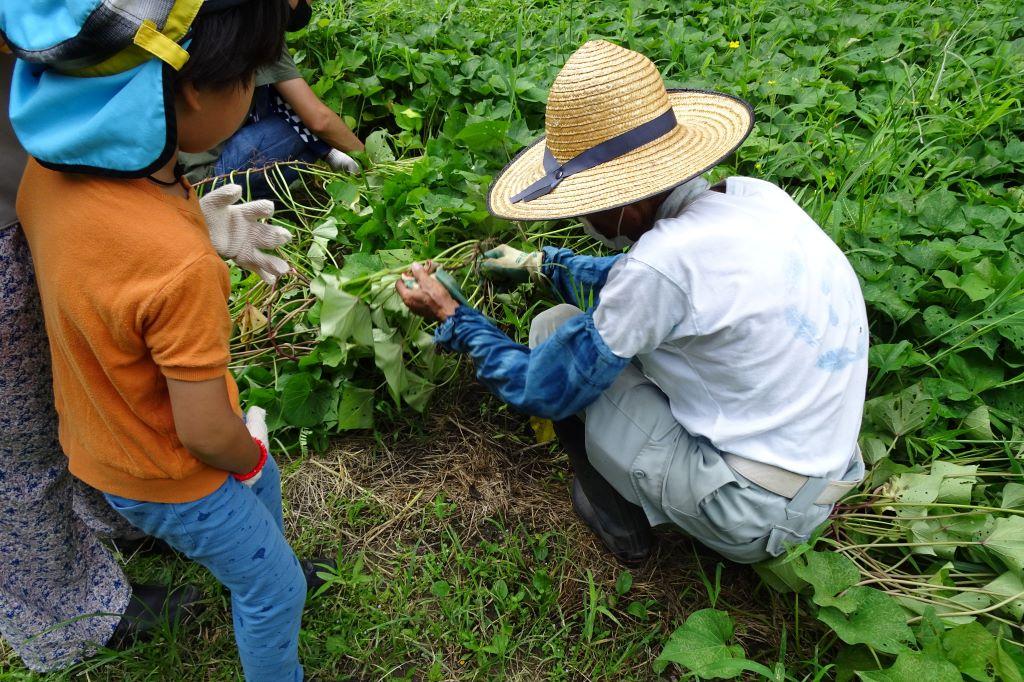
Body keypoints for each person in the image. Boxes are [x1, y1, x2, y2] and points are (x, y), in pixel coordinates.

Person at [397, 40, 868, 566]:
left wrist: (454, 319)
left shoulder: (660, 266)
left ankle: (619, 524)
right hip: (824, 473)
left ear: (626, 203)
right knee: (604, 330)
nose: (583, 220)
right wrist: (540, 265)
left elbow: (542, 388)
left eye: (587, 207)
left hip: (756, 512)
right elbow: (636, 283)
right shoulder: (753, 199)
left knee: (554, 331)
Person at [8, 1, 320, 679]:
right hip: (171, 474)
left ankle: (268, 549)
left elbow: (104, 278)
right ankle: (277, 591)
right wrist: (243, 453)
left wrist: (180, 224)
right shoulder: (181, 268)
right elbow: (207, 433)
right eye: (249, 80)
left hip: (99, 443)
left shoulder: (43, 180)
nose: (254, 93)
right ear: (195, 89)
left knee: (259, 486)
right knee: (274, 590)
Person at [0, 49, 203, 674]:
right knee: (21, 442)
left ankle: (111, 503)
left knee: (77, 377)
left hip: (32, 184)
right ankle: (65, 615)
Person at [180, 0, 365, 200]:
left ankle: (243, 199)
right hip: (202, 178)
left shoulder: (219, 17)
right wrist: (368, 161)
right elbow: (319, 120)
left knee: (307, 147)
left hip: (172, 167)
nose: (308, 4)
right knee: (300, 130)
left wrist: (328, 152)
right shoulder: (258, 27)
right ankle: (220, 199)